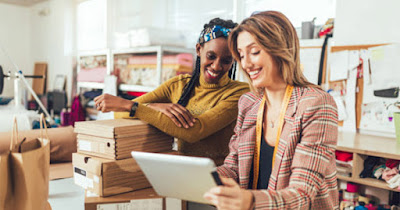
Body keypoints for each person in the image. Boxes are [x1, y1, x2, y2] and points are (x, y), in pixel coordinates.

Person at [204, 11, 339, 209]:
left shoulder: (317, 104)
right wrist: (202, 178)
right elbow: (234, 168)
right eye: (241, 55)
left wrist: (249, 201)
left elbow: (302, 194)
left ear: (280, 48)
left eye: (255, 52)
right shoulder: (248, 103)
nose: (246, 64)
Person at [94, 18, 249, 165]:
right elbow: (119, 112)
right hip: (179, 171)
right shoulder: (178, 85)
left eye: (226, 61)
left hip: (218, 178)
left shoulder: (239, 93)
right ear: (198, 49)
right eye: (211, 56)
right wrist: (154, 106)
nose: (216, 66)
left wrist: (135, 107)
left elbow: (195, 131)